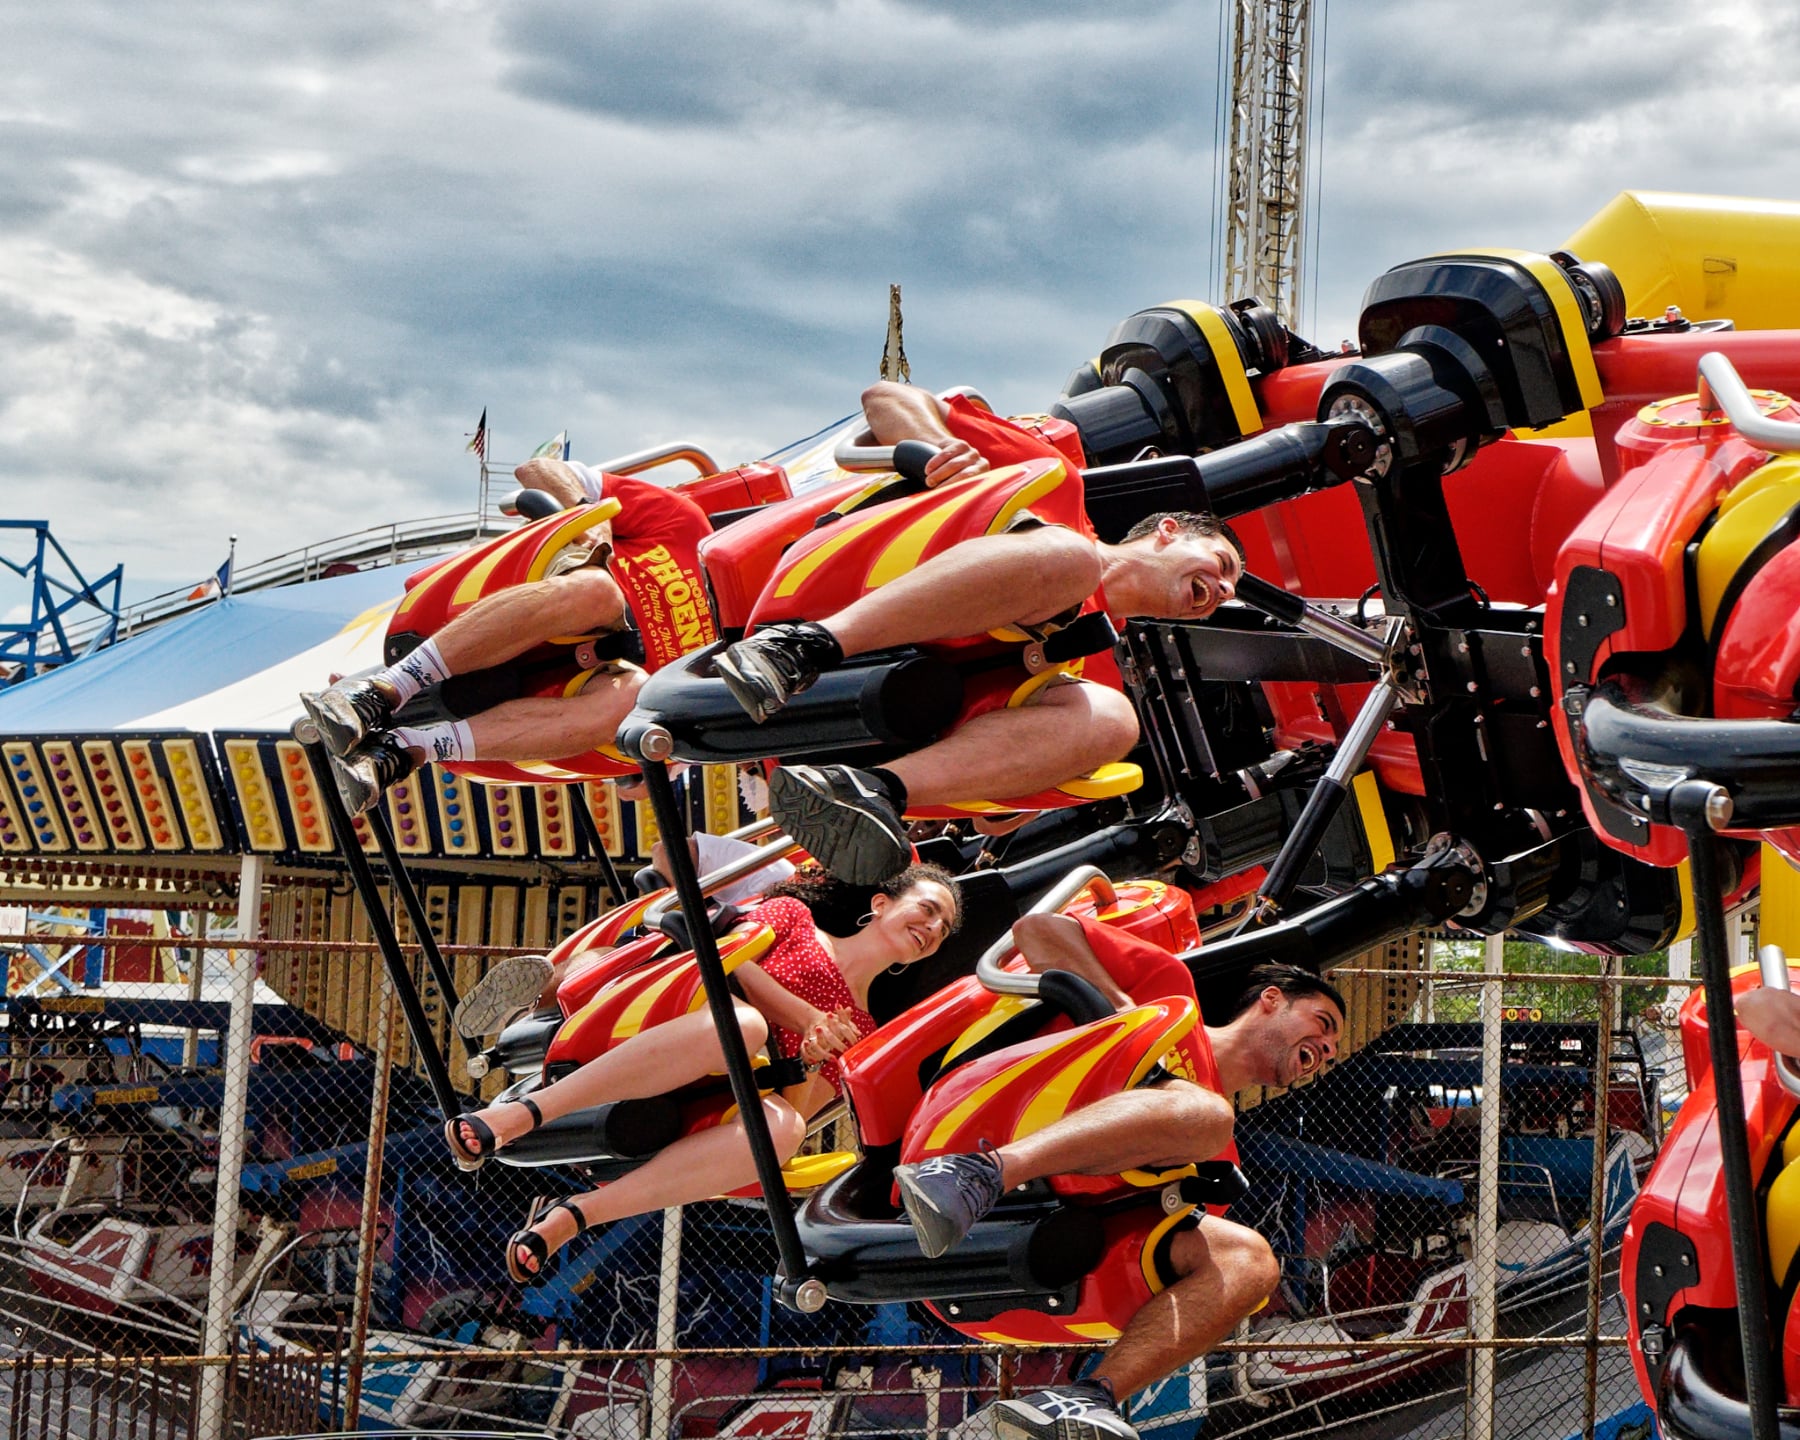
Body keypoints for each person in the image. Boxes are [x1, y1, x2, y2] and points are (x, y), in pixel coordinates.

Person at [716, 380, 1245, 885]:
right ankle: (799, 649)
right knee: (1073, 561)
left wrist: (1022, 789)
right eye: (1221, 565)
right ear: (1167, 532)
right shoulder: (1056, 487)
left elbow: (991, 820)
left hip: (867, 724)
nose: (1221, 589)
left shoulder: (1099, 673)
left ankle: (867, 792)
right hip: (823, 600)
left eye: (1228, 592)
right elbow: (885, 398)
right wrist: (942, 450)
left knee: (1114, 722)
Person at [894, 912, 1343, 1440]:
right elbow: (1035, 929)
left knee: (1251, 1260)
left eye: (1332, 1052)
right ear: (1271, 1000)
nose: (1328, 1050)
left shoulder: (1218, 1158)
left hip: (1024, 1256)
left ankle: (1087, 1397)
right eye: (1323, 1023)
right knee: (1208, 1114)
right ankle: (978, 1173)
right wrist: (1117, 1008)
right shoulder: (1168, 994)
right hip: (973, 1130)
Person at [445, 863, 962, 1282]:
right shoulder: (794, 917)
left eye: (944, 929)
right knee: (744, 1024)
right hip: (658, 1020)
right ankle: (523, 1111)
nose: (934, 928)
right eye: (928, 909)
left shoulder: (863, 1028)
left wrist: (806, 1057)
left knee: (786, 1127)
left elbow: (794, 1103)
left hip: (710, 1097)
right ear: (880, 905)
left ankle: (575, 1214)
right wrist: (803, 1018)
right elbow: (729, 961)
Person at [299, 455, 715, 813]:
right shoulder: (685, 525)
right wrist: (590, 525)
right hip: (541, 601)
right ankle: (380, 692)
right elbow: (537, 470)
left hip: (579, 693)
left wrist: (658, 767)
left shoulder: (735, 667)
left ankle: (405, 749)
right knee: (600, 593)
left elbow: (642, 781)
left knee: (632, 699)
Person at [450, 815, 799, 1038]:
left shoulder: (823, 933)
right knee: (633, 953)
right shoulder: (778, 875)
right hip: (685, 944)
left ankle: (530, 1014)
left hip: (734, 981)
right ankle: (531, 1004)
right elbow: (668, 851)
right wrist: (691, 910)